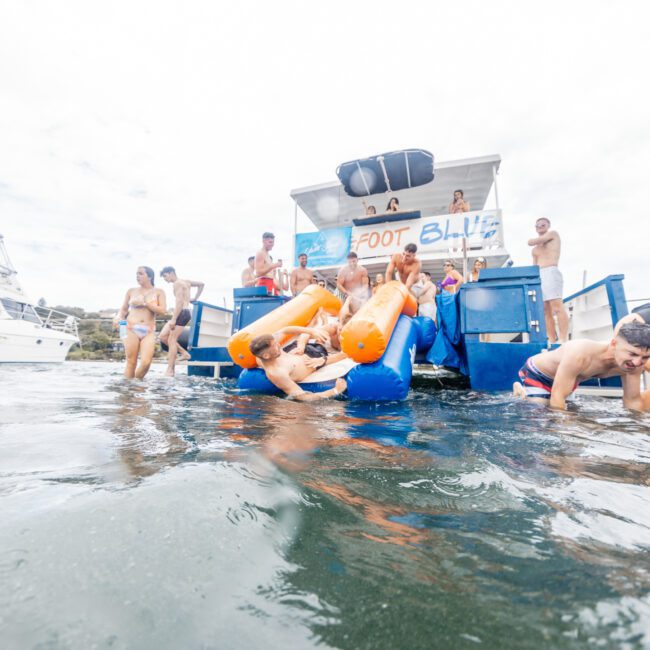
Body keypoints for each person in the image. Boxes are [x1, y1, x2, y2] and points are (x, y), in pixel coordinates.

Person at [513, 322, 650, 411]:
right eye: (632, 354)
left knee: (572, 411)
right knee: (541, 411)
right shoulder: (581, 352)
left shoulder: (634, 366)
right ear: (614, 344)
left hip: (570, 379)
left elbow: (633, 403)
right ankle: (522, 392)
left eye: (645, 357)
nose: (638, 362)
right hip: (539, 373)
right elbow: (557, 398)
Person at [249, 327, 348, 401]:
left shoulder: (266, 353)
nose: (279, 344)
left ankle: (315, 325)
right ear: (266, 356)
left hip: (296, 350)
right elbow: (303, 397)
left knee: (325, 329)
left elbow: (284, 330)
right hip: (315, 357)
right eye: (275, 345)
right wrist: (335, 391)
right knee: (342, 349)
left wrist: (311, 331)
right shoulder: (277, 373)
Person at [115, 266, 167, 380]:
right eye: (136, 274)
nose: (137, 276)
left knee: (146, 362)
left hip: (149, 330)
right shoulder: (131, 291)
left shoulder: (159, 292)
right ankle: (128, 391)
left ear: (150, 276)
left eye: (140, 273)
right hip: (128, 327)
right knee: (131, 361)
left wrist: (145, 303)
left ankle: (136, 383)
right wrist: (118, 318)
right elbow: (123, 309)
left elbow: (163, 311)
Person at [528, 217, 569, 344]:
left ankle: (563, 338)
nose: (540, 226)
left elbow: (531, 241)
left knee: (557, 305)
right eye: (538, 225)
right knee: (545, 309)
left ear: (548, 225)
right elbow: (534, 266)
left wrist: (530, 240)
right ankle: (551, 338)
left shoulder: (553, 234)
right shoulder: (535, 250)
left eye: (543, 224)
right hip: (540, 275)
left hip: (551, 271)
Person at [159, 266, 205, 377]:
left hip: (181, 312)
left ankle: (170, 370)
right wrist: (194, 298)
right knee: (163, 337)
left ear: (171, 273)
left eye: (165, 276)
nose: (165, 280)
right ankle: (184, 353)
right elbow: (201, 284)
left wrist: (174, 319)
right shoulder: (186, 281)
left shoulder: (177, 284)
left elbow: (179, 302)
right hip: (184, 311)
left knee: (171, 339)